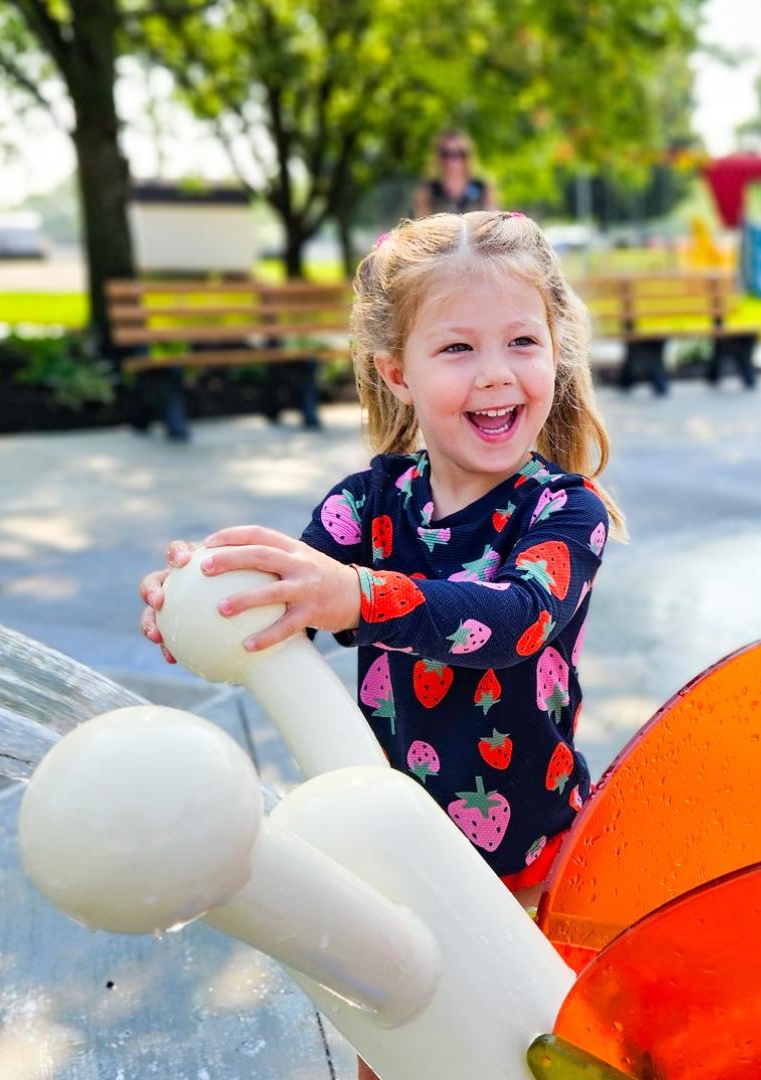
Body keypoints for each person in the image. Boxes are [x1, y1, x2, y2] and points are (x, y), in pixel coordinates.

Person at [139, 211, 622, 911]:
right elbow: (292, 601)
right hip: (397, 854)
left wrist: (358, 597)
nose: (495, 374)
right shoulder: (367, 504)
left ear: (555, 352)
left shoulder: (565, 511)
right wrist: (204, 594)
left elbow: (518, 618)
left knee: (527, 1021)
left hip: (533, 866)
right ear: (397, 373)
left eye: (522, 341)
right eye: (457, 348)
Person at [413, 130, 498, 218]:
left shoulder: (483, 188)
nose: (453, 159)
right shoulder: (427, 191)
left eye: (460, 153)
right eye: (446, 153)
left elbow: (493, 222)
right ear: (438, 156)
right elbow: (420, 224)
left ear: (468, 156)